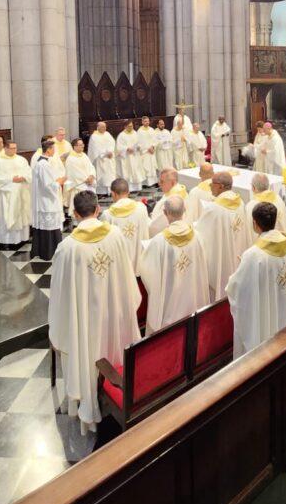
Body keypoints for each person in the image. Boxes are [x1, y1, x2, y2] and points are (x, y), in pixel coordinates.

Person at [48, 190, 141, 433]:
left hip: (85, 322)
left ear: (75, 213)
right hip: (115, 313)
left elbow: (59, 291)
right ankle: (119, 385)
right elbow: (127, 275)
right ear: (98, 209)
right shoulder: (116, 235)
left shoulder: (68, 248)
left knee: (86, 352)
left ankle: (90, 401)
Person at [225, 202, 286, 358]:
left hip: (266, 313)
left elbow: (236, 288)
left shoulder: (253, 255)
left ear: (255, 223)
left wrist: (243, 266)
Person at [139, 194, 210, 333]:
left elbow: (147, 273)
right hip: (193, 299)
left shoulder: (158, 241)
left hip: (169, 306)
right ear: (184, 210)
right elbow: (202, 267)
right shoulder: (197, 236)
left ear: (165, 213)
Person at [195, 171, 249, 298]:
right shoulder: (240, 202)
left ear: (220, 186)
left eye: (212, 184)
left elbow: (202, 236)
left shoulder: (214, 209)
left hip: (223, 260)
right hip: (239, 256)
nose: (209, 187)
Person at [100, 177, 150, 275]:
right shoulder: (141, 208)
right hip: (139, 263)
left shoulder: (107, 215)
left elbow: (105, 242)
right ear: (128, 192)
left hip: (119, 268)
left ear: (113, 194)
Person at [0, 140, 31, 248]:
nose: (14, 150)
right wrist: (11, 179)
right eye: (12, 148)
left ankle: (23, 238)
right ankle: (7, 241)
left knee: (21, 215)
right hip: (6, 194)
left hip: (21, 192)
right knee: (6, 216)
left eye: (15, 148)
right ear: (6, 149)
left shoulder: (21, 159)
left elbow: (28, 172)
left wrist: (24, 177)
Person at [31, 137, 64, 260]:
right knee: (49, 228)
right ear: (49, 150)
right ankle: (49, 252)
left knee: (46, 228)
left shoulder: (41, 162)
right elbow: (48, 186)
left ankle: (44, 251)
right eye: (53, 148)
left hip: (43, 201)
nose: (54, 150)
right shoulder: (44, 164)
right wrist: (59, 182)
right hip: (47, 201)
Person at [149, 168, 189, 237]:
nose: (159, 184)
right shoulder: (179, 190)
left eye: (162, 181)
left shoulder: (171, 202)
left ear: (173, 182)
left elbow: (157, 227)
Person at [63, 138, 97, 212]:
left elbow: (91, 167)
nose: (83, 146)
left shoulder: (84, 155)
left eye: (83, 144)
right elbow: (73, 174)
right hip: (78, 185)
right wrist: (86, 179)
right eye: (80, 145)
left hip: (89, 183)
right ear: (74, 146)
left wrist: (91, 176)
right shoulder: (70, 159)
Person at [87, 121, 117, 195]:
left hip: (109, 158)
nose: (104, 128)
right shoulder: (94, 136)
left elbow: (112, 143)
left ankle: (110, 191)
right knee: (102, 177)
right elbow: (95, 149)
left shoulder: (107, 134)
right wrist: (105, 154)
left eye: (105, 127)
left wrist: (110, 152)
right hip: (100, 159)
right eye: (102, 127)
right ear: (98, 127)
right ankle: (101, 192)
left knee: (110, 175)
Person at [115, 121, 144, 193]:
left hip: (135, 156)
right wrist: (127, 149)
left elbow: (140, 143)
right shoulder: (121, 135)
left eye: (132, 126)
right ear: (125, 127)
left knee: (136, 171)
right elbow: (118, 147)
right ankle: (129, 188)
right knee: (128, 172)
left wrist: (138, 147)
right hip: (127, 157)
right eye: (129, 126)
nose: (131, 127)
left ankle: (137, 187)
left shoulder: (135, 133)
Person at [137, 116, 158, 187]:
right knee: (145, 167)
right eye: (145, 121)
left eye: (148, 121)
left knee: (152, 166)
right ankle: (146, 183)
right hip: (145, 152)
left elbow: (155, 140)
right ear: (142, 122)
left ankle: (153, 181)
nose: (147, 122)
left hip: (151, 151)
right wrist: (147, 149)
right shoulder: (140, 131)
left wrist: (152, 146)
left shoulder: (152, 129)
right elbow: (139, 142)